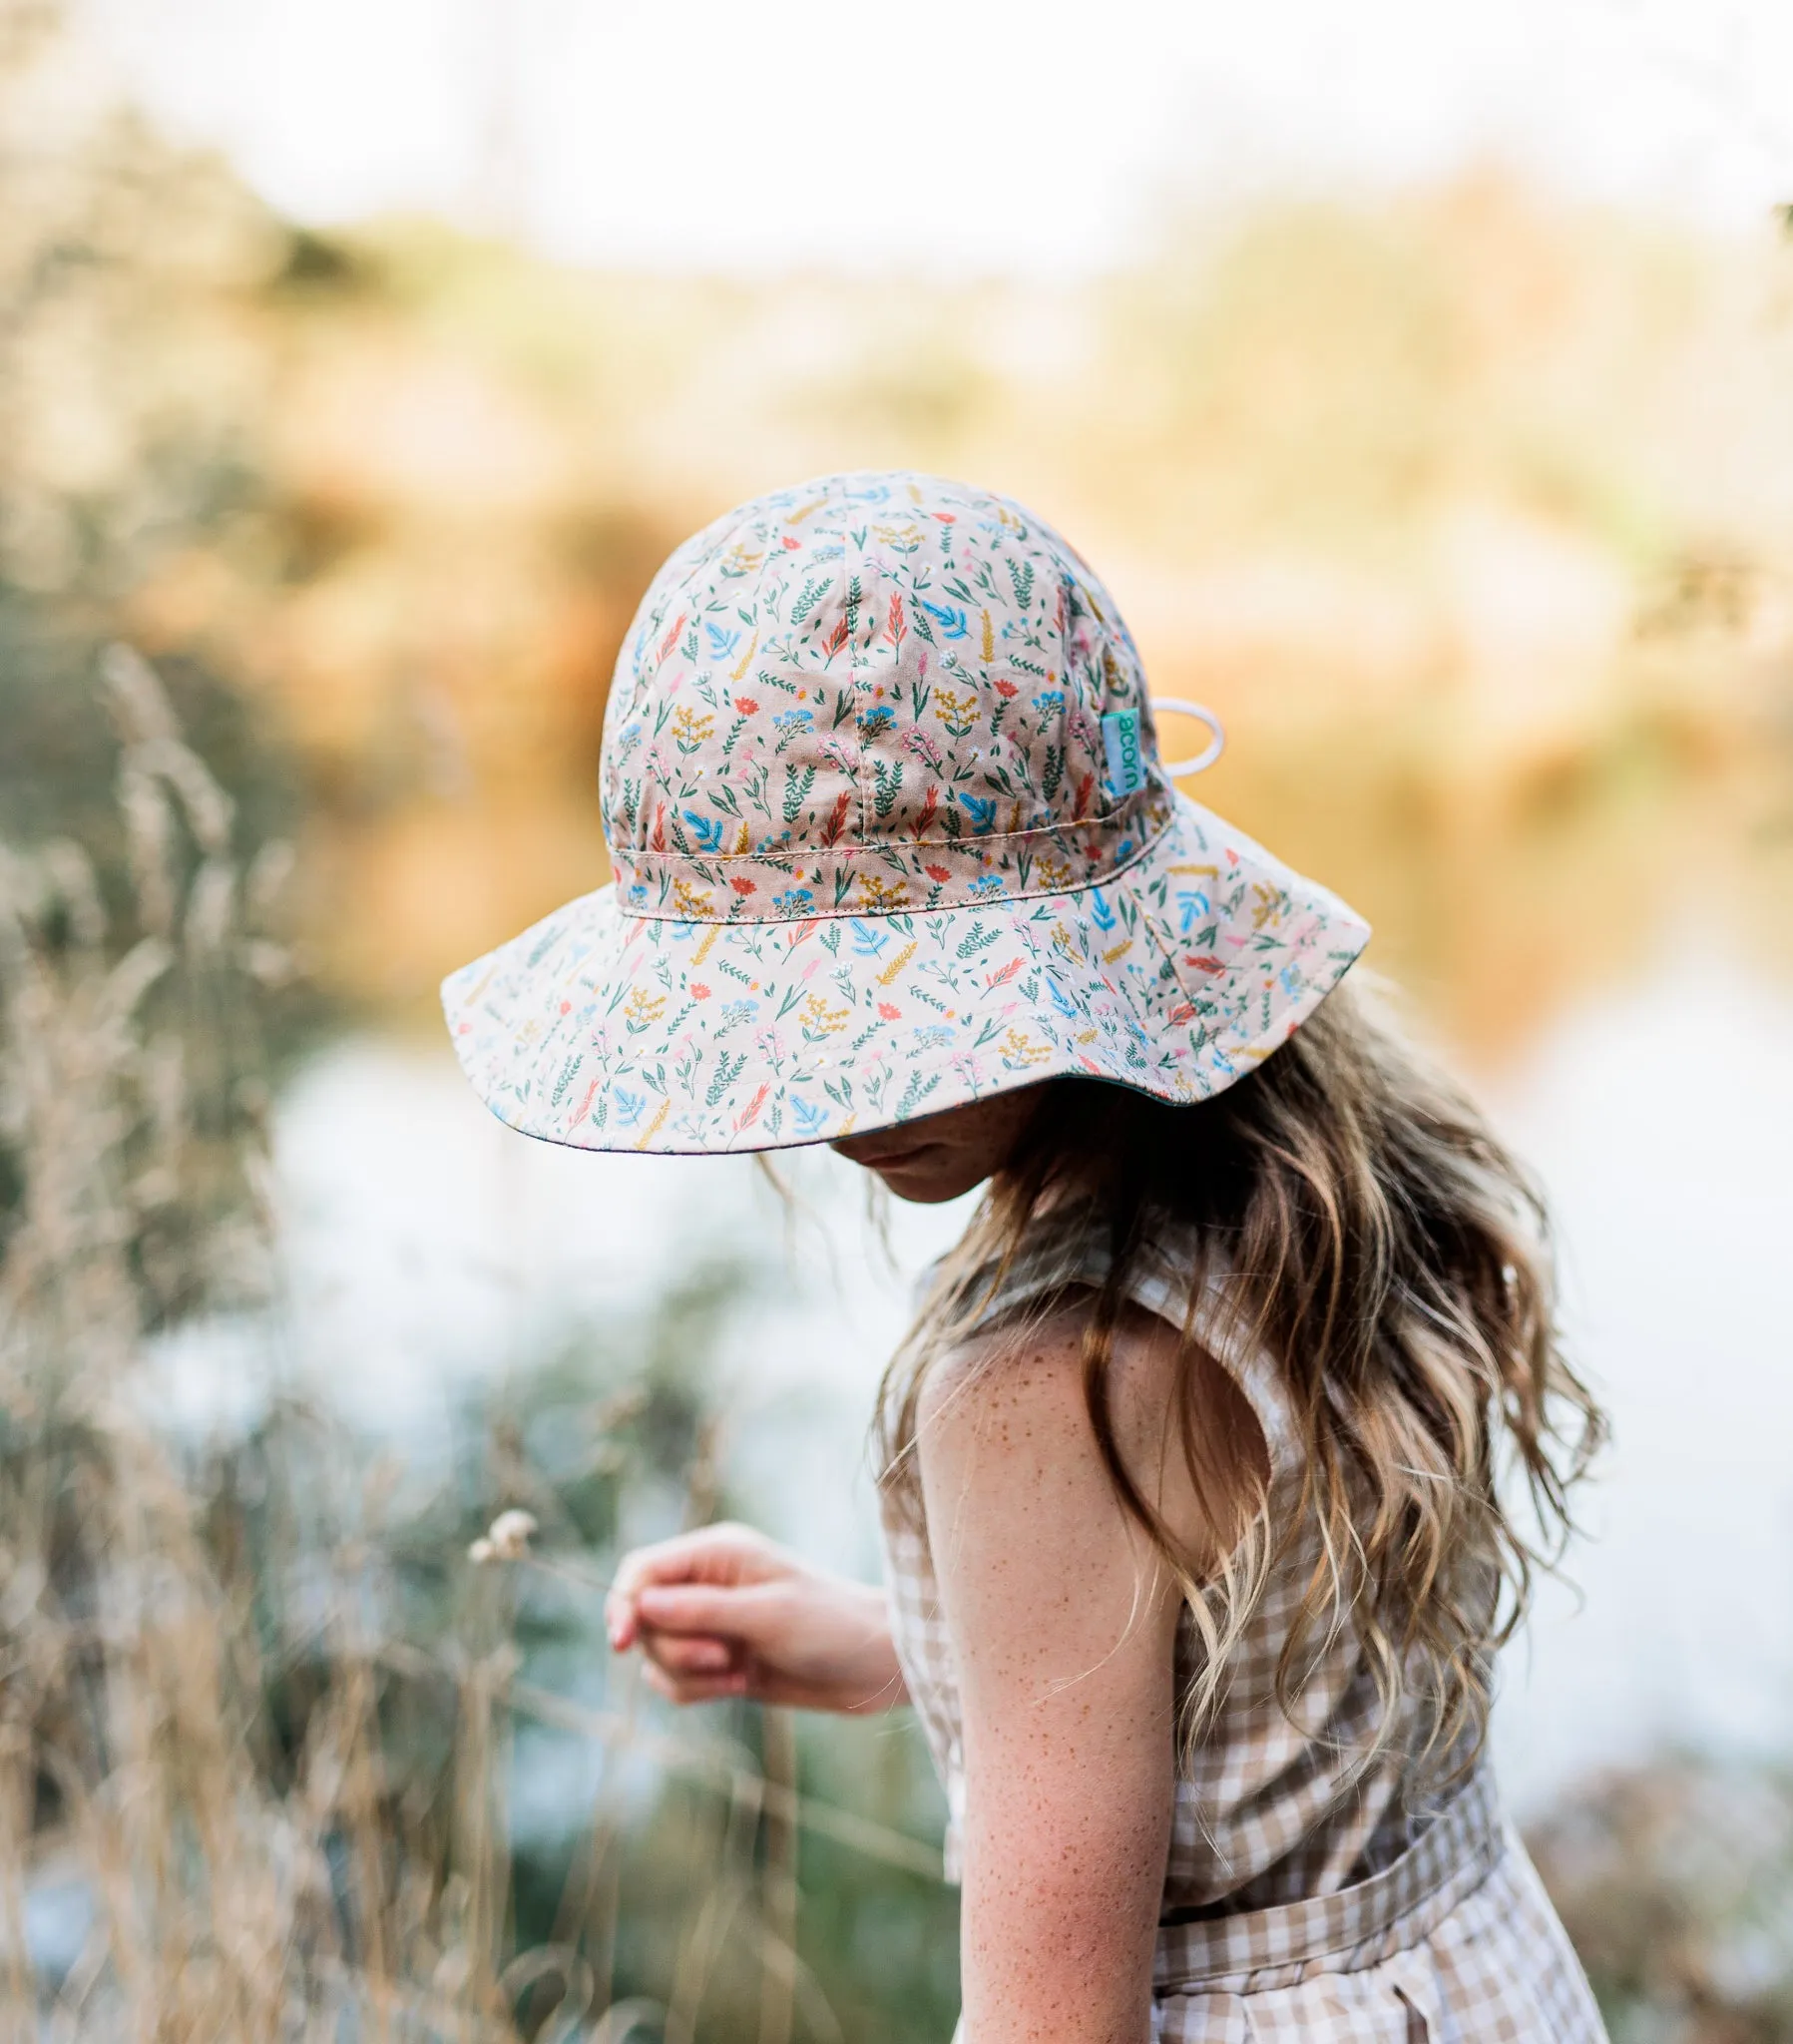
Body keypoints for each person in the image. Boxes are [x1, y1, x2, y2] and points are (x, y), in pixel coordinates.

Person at [444, 470, 1609, 2041]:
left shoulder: (1036, 1392)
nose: (840, 1101)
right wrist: (899, 1646)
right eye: (794, 1030)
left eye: (879, 1020)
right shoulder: (1320, 1188)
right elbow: (1257, 1696)